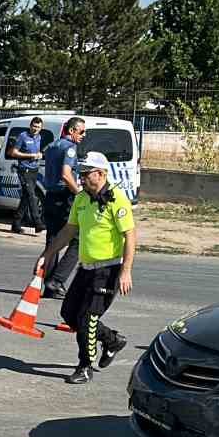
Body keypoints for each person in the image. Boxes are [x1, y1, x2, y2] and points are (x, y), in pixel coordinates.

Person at [37, 151, 137, 385]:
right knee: (69, 314)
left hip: (108, 270)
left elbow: (130, 236)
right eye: (80, 173)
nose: (81, 178)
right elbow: (69, 231)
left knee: (87, 318)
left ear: (101, 174)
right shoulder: (82, 199)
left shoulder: (117, 200)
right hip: (86, 268)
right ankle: (112, 340)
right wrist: (47, 254)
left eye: (85, 173)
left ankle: (85, 366)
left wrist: (126, 270)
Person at [39, 116, 87, 297]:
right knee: (77, 239)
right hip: (64, 198)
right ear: (72, 131)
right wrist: (79, 194)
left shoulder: (52, 146)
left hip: (50, 196)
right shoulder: (70, 148)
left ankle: (49, 285)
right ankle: (57, 280)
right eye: (81, 131)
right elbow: (66, 175)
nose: (84, 135)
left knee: (53, 240)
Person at [8, 117, 46, 235]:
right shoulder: (23, 136)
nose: (36, 129)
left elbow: (40, 152)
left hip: (35, 170)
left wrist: (40, 155)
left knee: (26, 197)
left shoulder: (39, 137)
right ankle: (37, 222)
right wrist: (30, 156)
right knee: (31, 195)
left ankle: (16, 223)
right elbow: (13, 152)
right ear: (30, 126)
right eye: (34, 126)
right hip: (25, 170)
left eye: (38, 127)